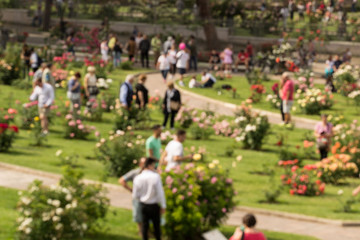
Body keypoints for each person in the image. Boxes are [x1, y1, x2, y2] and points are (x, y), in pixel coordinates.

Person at [133, 157, 166, 240]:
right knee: (156, 226)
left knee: (145, 225)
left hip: (143, 205)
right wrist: (163, 205)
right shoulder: (155, 177)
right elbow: (160, 193)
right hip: (154, 205)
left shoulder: (138, 177)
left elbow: (135, 195)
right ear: (150, 165)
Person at [119, 158, 146, 235]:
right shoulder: (135, 172)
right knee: (138, 215)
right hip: (137, 198)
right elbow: (121, 180)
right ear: (140, 164)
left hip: (148, 198)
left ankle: (146, 231)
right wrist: (131, 190)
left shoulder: (152, 173)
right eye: (143, 163)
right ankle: (141, 231)